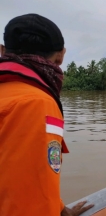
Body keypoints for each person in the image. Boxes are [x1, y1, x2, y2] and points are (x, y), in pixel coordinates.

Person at [0, 14, 93, 216]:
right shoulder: (37, 103)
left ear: (2, 50)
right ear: (61, 55)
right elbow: (29, 198)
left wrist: (59, 208)